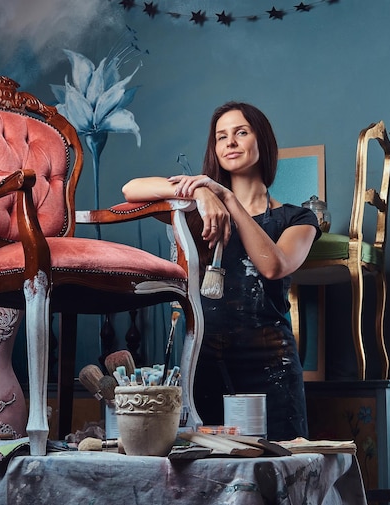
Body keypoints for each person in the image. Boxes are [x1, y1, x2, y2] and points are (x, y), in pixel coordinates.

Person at [122, 101, 321, 441]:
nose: (230, 142)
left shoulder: (298, 218)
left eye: (241, 133)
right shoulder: (199, 213)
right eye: (221, 137)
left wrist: (227, 199)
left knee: (279, 474)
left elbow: (274, 266)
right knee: (208, 473)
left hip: (271, 364)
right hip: (205, 361)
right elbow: (131, 190)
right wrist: (199, 190)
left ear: (263, 143)